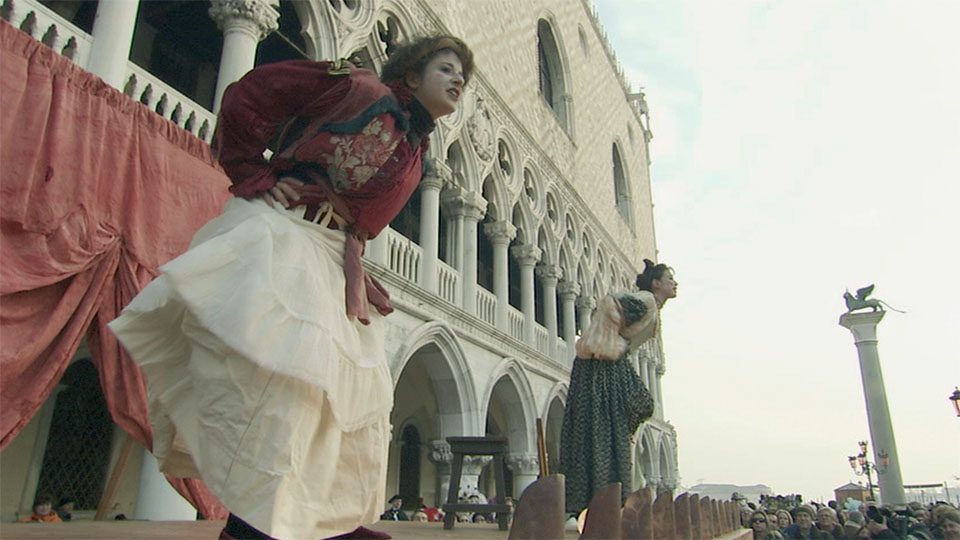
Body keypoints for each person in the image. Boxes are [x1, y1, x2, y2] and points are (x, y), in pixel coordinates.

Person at [109, 35, 473, 540]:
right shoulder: (360, 88)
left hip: (329, 257)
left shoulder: (416, 147)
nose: (458, 80)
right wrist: (251, 171)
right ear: (411, 75)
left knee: (339, 400)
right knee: (282, 388)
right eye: (447, 68)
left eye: (463, 76)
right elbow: (249, 94)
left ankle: (319, 522)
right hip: (285, 233)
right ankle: (250, 528)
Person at [559, 259, 677, 513]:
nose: (674, 283)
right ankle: (594, 503)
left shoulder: (651, 305)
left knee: (612, 423)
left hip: (604, 366)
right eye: (669, 279)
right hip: (602, 365)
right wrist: (607, 344)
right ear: (657, 284)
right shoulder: (645, 300)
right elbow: (611, 304)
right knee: (620, 416)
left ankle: (604, 498)